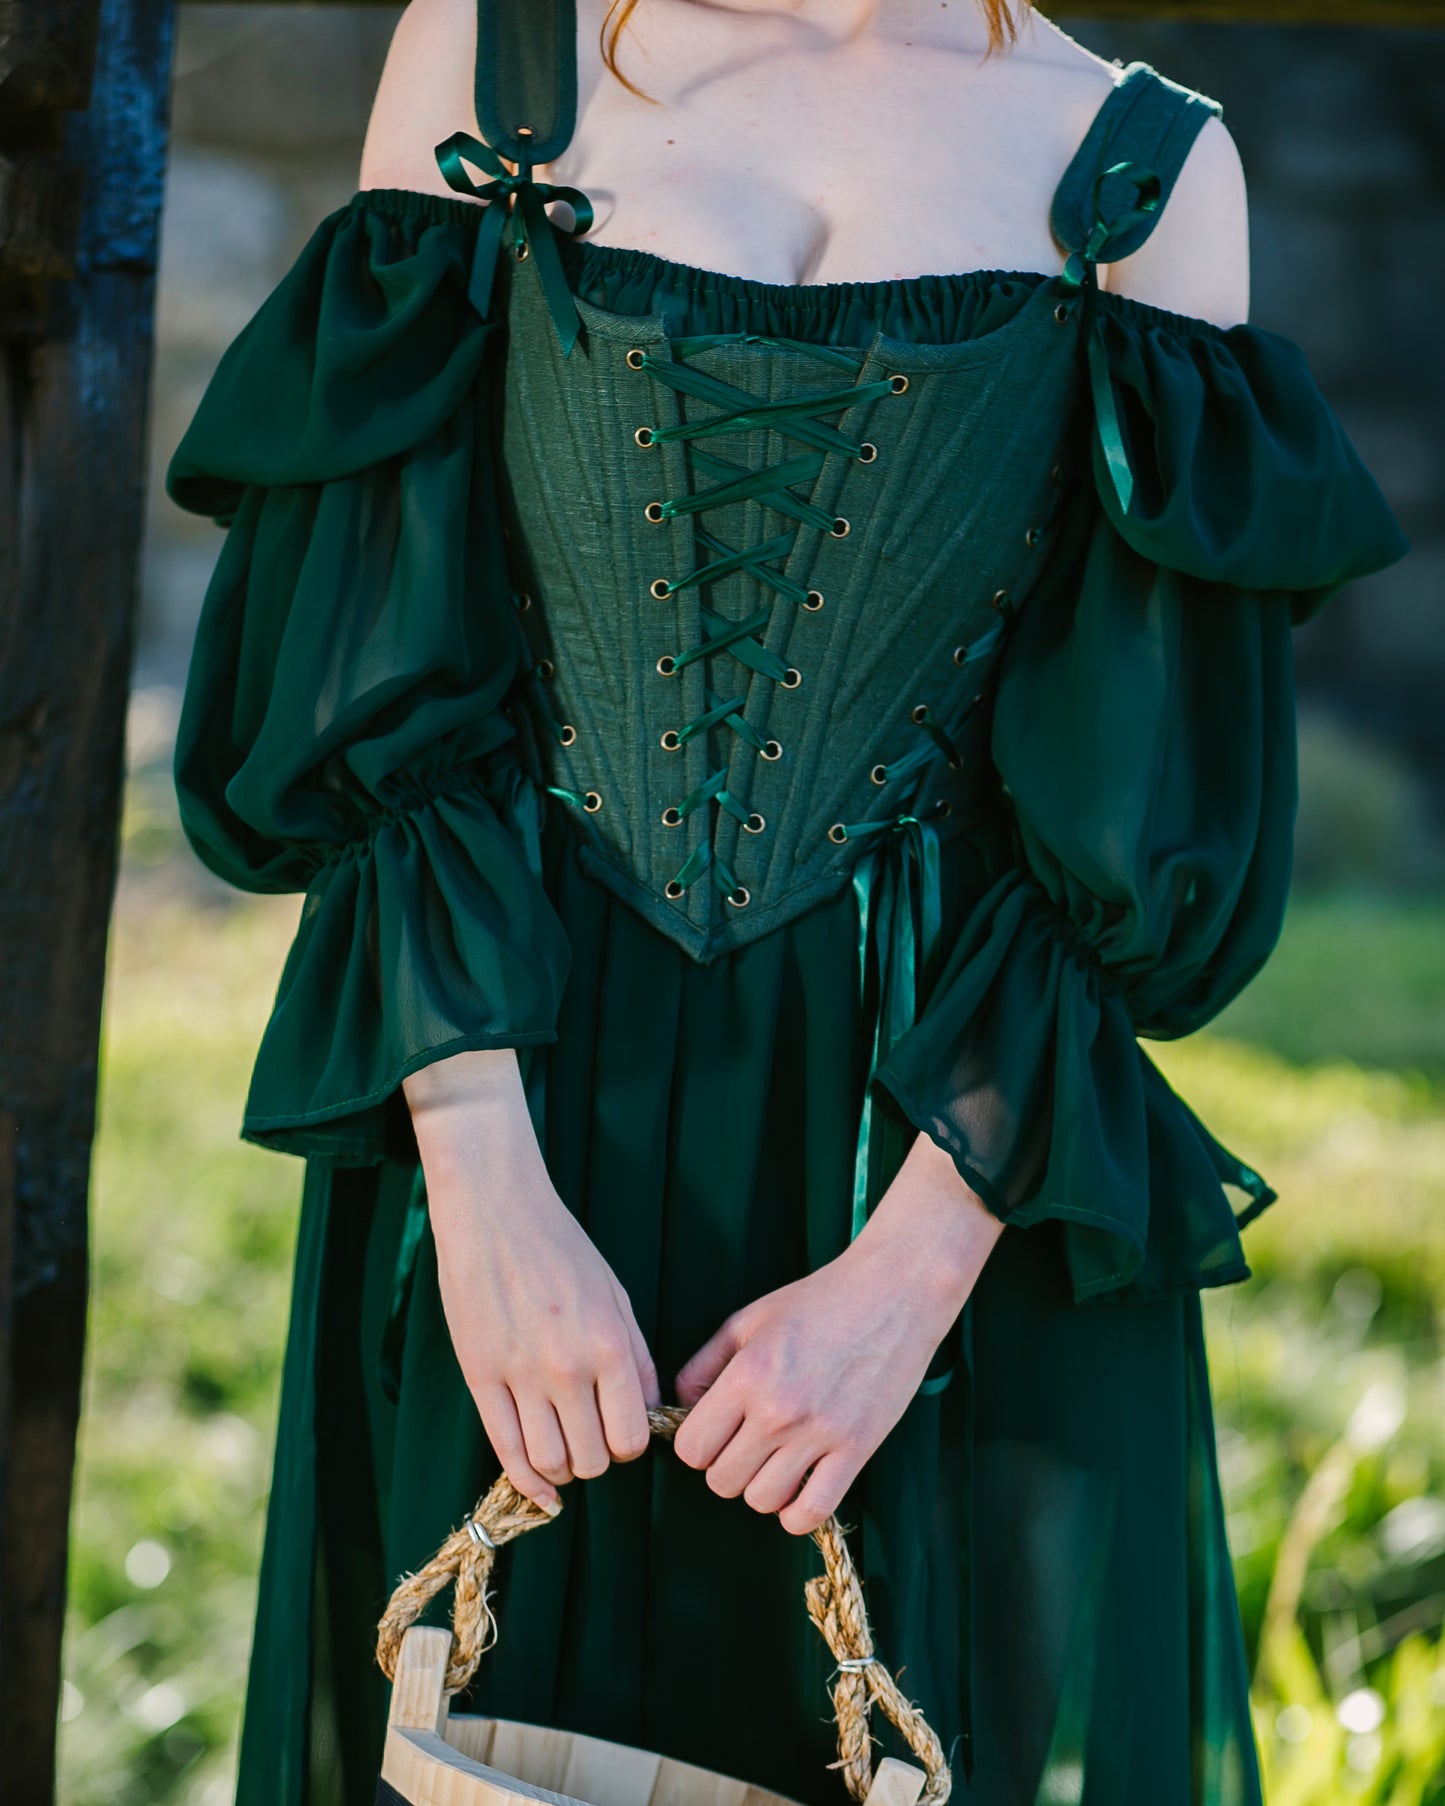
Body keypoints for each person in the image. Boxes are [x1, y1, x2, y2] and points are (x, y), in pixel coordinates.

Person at [163, 2, 1410, 1802]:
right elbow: (374, 664)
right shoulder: (499, 54)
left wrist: (898, 1291)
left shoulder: (1140, 167)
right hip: (510, 1084)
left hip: (933, 1155)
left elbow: (1140, 817)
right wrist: (486, 1186)